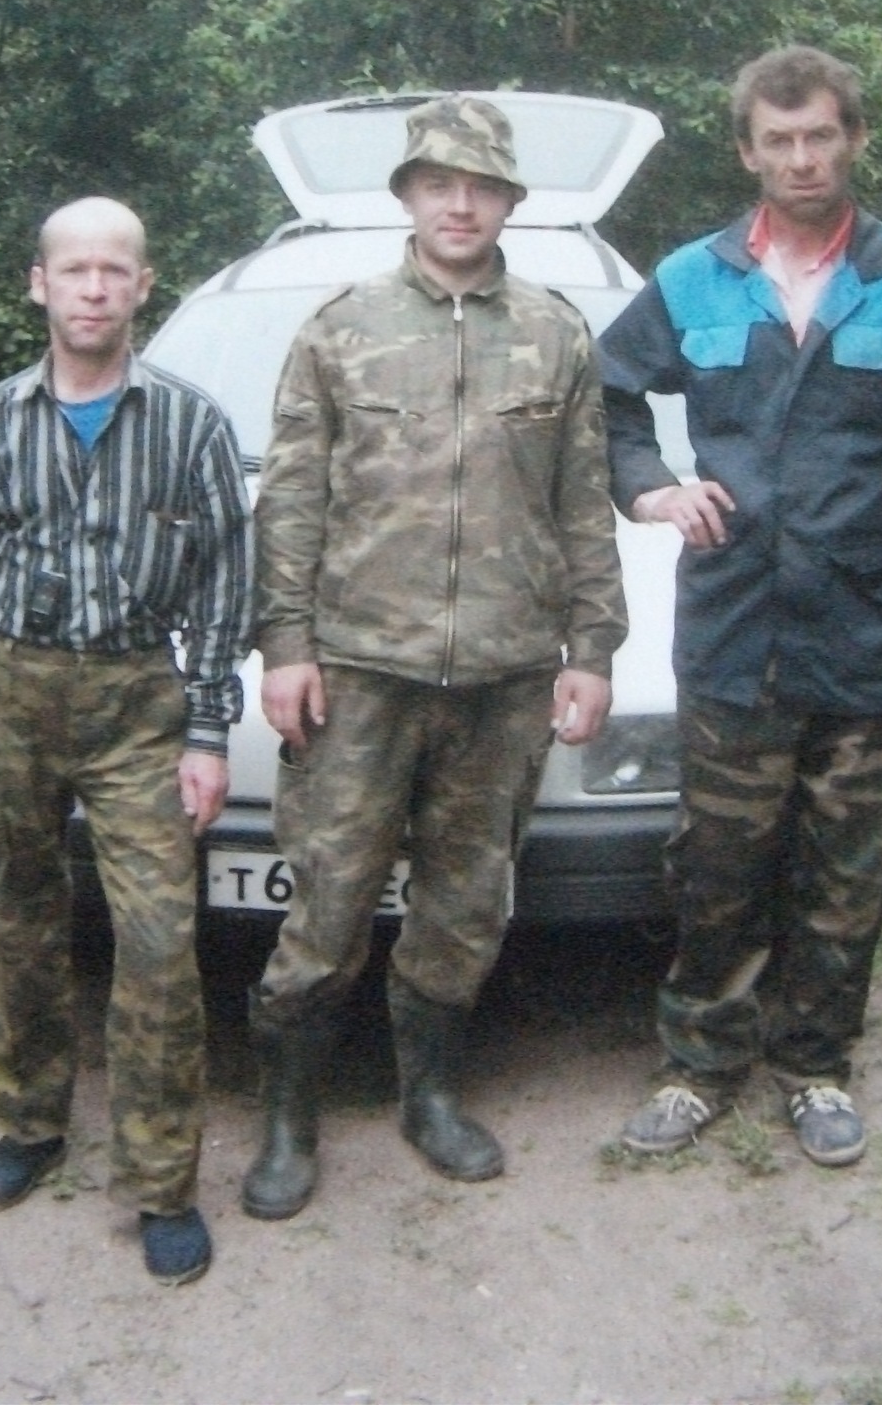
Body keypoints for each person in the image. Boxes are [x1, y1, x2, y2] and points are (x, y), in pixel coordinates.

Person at [597, 46, 882, 1168]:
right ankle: (699, 1065)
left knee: (848, 863)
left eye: (819, 136)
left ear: (852, 138)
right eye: (779, 140)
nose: (802, 158)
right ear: (747, 152)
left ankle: (814, 1067)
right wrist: (653, 488)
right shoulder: (694, 279)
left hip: (863, 623)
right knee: (718, 859)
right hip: (732, 624)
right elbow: (604, 398)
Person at [241, 95, 628, 1221]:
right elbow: (291, 500)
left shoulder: (556, 334)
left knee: (463, 909)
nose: (461, 205)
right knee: (326, 905)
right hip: (361, 673)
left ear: (509, 202)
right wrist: (285, 645)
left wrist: (593, 647)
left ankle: (432, 1096)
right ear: (408, 195)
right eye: (440, 184)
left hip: (505, 676)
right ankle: (288, 1118)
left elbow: (584, 500)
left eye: (482, 187)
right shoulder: (340, 328)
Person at [0, 198, 251, 1288]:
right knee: (23, 913)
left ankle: (160, 1179)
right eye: (74, 270)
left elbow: (224, 585)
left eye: (114, 271)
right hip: (10, 693)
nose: (93, 288)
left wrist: (206, 729)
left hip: (137, 701)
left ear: (143, 286)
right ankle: (29, 1123)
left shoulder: (191, 424)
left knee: (158, 937)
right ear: (39, 285)